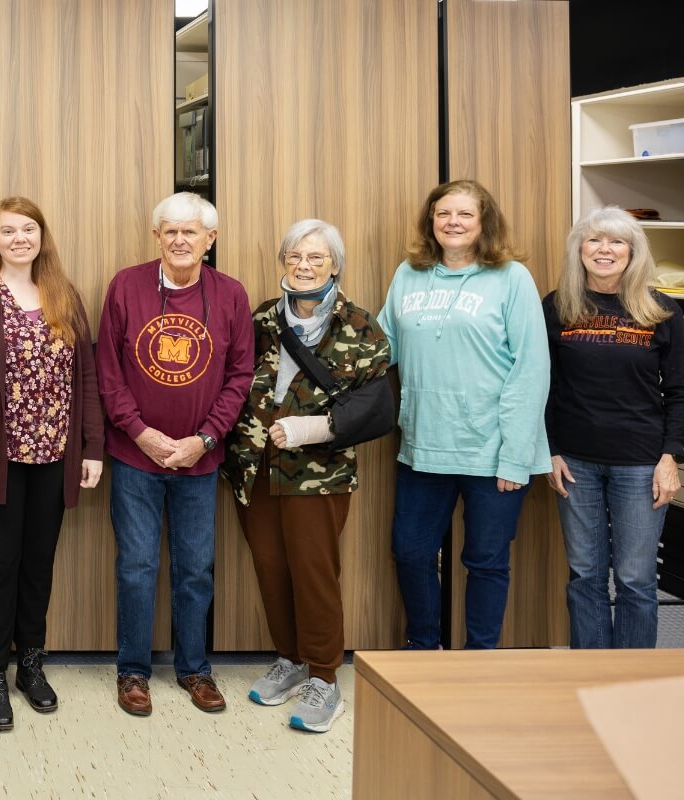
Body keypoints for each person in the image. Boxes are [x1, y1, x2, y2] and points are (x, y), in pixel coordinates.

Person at [223, 219, 390, 733]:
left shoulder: (359, 325)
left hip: (318, 474)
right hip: (255, 467)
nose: (303, 266)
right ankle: (291, 660)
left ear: (335, 265)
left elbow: (376, 403)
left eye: (316, 258)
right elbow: (231, 379)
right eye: (295, 257)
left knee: (314, 573)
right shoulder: (260, 320)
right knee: (271, 568)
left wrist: (311, 428)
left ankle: (324, 677)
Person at [0, 197, 104, 732]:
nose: (19, 238)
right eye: (7, 231)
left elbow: (86, 378)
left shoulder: (64, 295)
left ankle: (30, 666)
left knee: (38, 565)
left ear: (41, 236)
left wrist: (93, 447)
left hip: (54, 458)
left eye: (28, 229)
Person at [96, 191, 253, 716]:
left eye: (192, 232)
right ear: (156, 237)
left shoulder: (230, 294)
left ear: (210, 240)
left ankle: (194, 670)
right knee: (136, 566)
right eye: (171, 230)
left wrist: (204, 439)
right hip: (134, 456)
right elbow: (108, 372)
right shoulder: (125, 285)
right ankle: (133, 672)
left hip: (199, 460)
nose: (180, 240)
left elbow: (239, 377)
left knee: (195, 569)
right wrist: (139, 432)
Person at [378, 179, 550, 650]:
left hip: (493, 450)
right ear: (431, 221)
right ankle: (424, 646)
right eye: (443, 214)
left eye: (465, 215)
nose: (452, 222)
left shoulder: (512, 278)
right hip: (423, 445)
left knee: (487, 560)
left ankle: (480, 658)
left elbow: (532, 369)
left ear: (483, 223)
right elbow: (380, 347)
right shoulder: (408, 274)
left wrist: (517, 454)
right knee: (410, 552)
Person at [544, 207, 684, 648]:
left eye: (617, 241)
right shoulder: (558, 306)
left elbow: (680, 390)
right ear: (579, 249)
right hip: (574, 462)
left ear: (632, 251)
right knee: (585, 574)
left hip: (641, 463)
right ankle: (591, 675)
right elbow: (540, 384)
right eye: (594, 240)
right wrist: (548, 450)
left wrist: (671, 458)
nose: (605, 250)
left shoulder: (662, 311)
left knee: (636, 578)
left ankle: (632, 682)